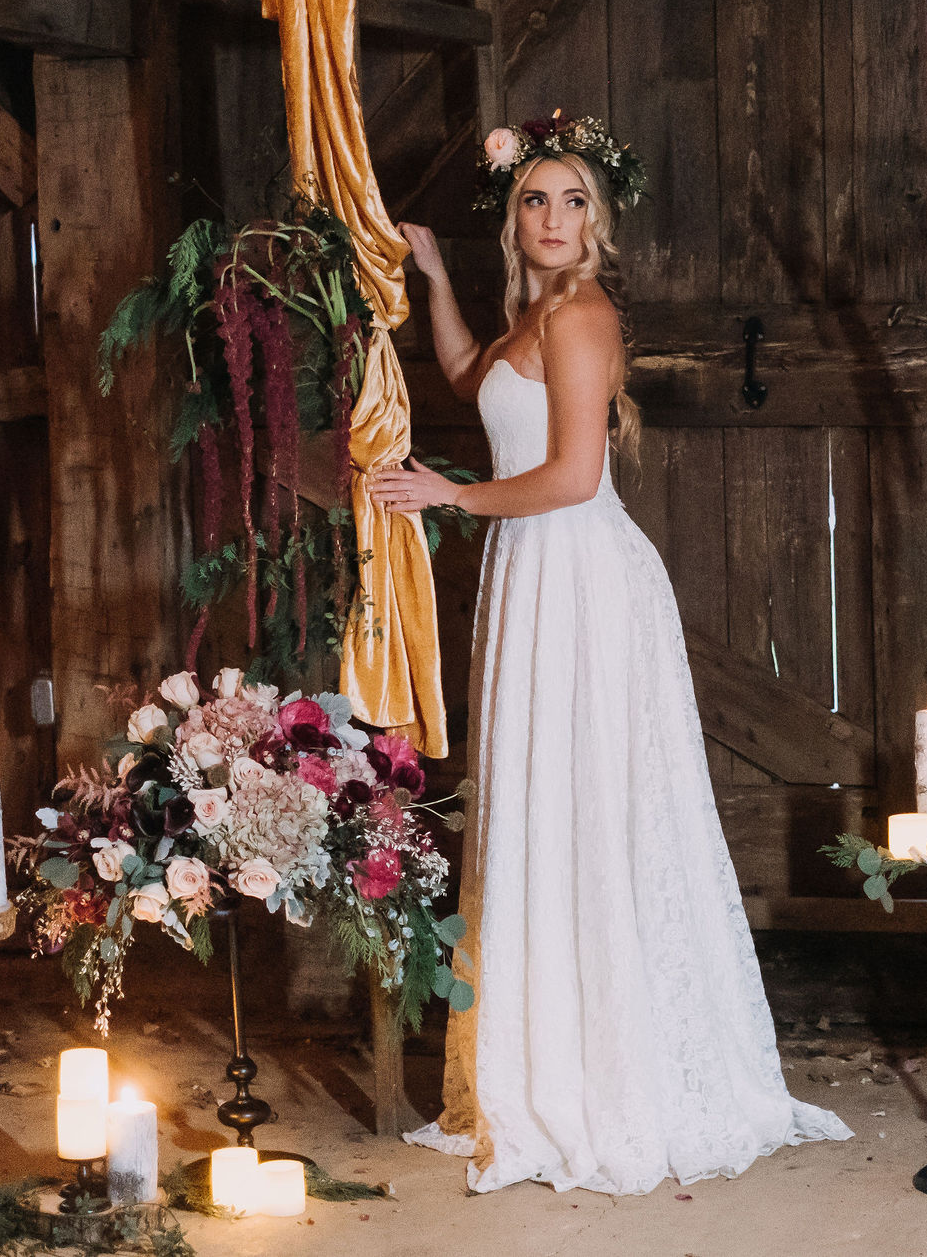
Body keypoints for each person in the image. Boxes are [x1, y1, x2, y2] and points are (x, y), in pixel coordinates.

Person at [368, 115, 850, 1195]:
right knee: (541, 802)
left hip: (577, 571)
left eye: (571, 201)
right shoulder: (528, 314)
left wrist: (450, 495)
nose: (551, 220)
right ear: (513, 216)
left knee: (587, 802)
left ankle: (614, 1073)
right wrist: (436, 277)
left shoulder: (582, 315)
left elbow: (574, 477)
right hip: (532, 571)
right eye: (535, 200)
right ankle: (544, 1060)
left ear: (596, 219)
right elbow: (466, 379)